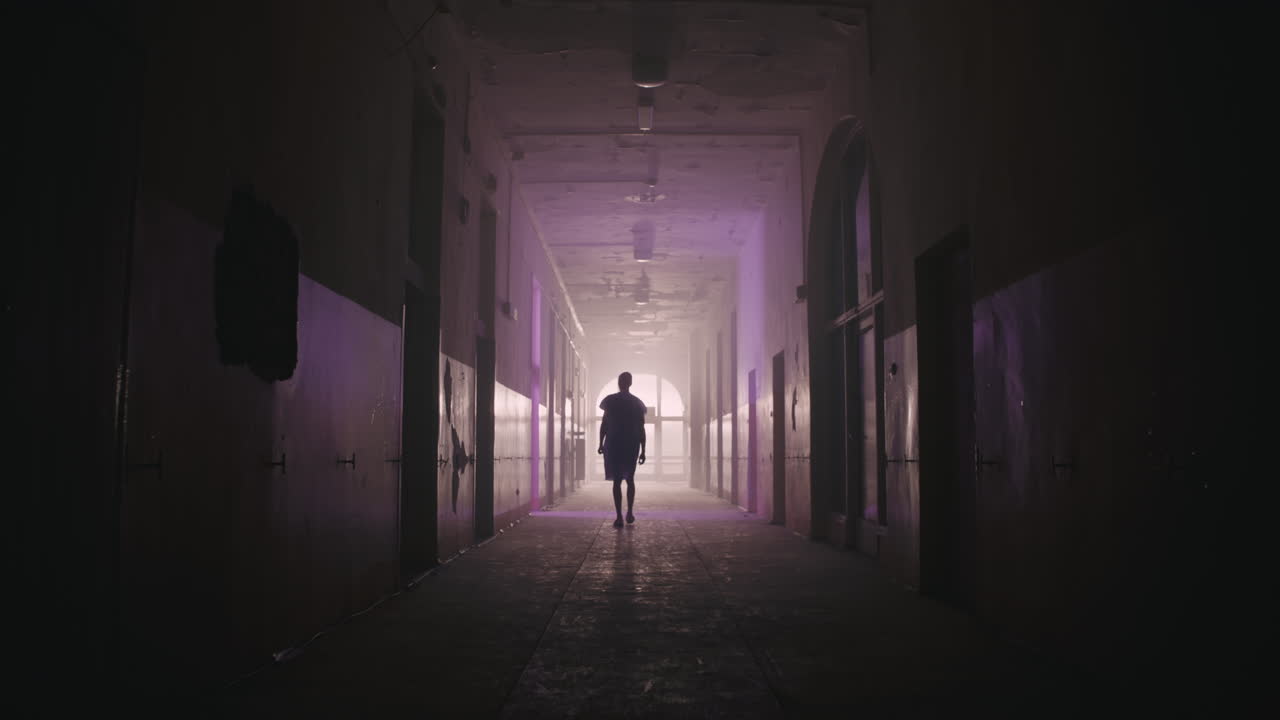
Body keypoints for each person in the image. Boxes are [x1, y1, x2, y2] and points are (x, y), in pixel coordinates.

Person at [597, 371, 647, 528]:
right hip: (630, 444)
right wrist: (643, 450)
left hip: (614, 442)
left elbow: (604, 424)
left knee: (617, 481)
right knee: (630, 479)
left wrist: (601, 443)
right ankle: (629, 512)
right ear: (630, 383)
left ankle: (619, 516)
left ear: (619, 382)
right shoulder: (637, 403)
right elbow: (641, 429)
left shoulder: (611, 401)